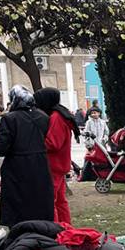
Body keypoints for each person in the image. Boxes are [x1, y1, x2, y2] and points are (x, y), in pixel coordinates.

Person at [0, 85, 54, 228]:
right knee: (39, 196)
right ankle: (41, 227)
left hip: (17, 164)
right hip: (40, 162)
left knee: (18, 199)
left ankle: (19, 228)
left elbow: (2, 148)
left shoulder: (10, 118)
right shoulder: (43, 116)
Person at [35, 87, 78, 225]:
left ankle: (56, 230)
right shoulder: (62, 114)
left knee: (51, 201)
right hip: (60, 164)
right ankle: (65, 228)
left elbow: (53, 143)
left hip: (53, 165)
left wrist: (34, 142)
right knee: (60, 201)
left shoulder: (56, 117)